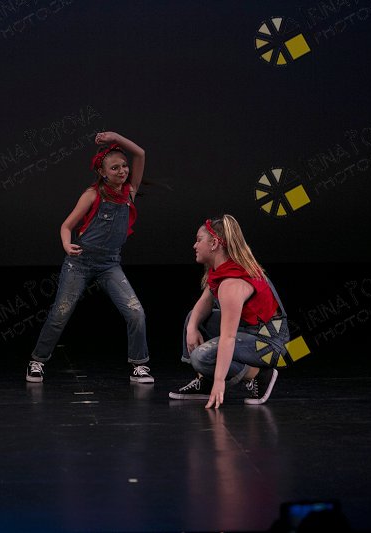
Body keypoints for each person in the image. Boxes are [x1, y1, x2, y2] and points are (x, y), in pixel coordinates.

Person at [26, 131, 153, 384]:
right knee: (60, 313)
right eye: (114, 168)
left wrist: (115, 137)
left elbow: (140, 153)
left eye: (124, 166)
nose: (122, 171)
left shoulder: (129, 191)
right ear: (103, 173)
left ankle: (139, 365)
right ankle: (37, 361)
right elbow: (66, 226)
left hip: (109, 265)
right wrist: (67, 244)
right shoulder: (93, 194)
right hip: (80, 263)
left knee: (136, 312)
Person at [168, 215, 289, 407]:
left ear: (214, 243)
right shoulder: (222, 269)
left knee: (201, 357)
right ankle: (204, 381)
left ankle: (258, 375)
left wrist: (219, 381)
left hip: (269, 342)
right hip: (249, 330)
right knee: (194, 317)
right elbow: (203, 303)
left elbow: (228, 337)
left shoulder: (231, 284)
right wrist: (192, 327)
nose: (194, 245)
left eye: (199, 240)